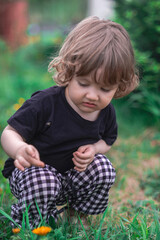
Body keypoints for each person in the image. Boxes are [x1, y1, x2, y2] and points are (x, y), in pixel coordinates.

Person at [1, 16, 139, 228]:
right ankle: (29, 222)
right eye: (84, 84)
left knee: (103, 168)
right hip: (34, 175)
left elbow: (108, 140)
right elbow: (9, 132)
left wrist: (94, 149)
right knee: (43, 182)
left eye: (104, 89)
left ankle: (74, 216)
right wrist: (19, 149)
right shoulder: (45, 103)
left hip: (71, 179)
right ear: (68, 71)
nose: (93, 96)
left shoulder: (105, 111)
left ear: (119, 86)